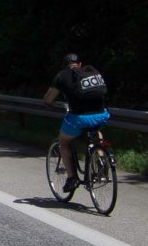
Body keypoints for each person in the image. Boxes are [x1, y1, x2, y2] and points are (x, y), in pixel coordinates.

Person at [42, 54, 110, 196]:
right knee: (96, 130)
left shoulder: (62, 76)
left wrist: (51, 105)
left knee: (63, 142)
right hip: (102, 115)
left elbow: (48, 99)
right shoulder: (91, 72)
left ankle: (72, 179)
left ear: (65, 66)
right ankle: (101, 157)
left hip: (79, 118)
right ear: (79, 64)